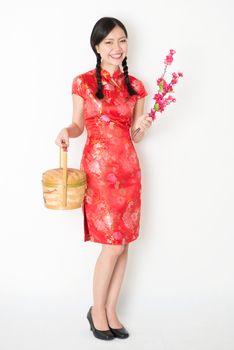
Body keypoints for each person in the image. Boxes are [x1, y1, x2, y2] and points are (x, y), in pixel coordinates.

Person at [55, 16, 152, 341]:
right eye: (108, 42)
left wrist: (143, 127)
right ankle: (96, 311)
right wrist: (66, 132)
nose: (116, 47)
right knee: (110, 246)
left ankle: (111, 311)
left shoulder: (136, 87)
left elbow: (135, 135)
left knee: (123, 245)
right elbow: (78, 124)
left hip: (129, 169)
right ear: (96, 46)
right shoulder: (82, 82)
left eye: (121, 40)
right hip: (98, 171)